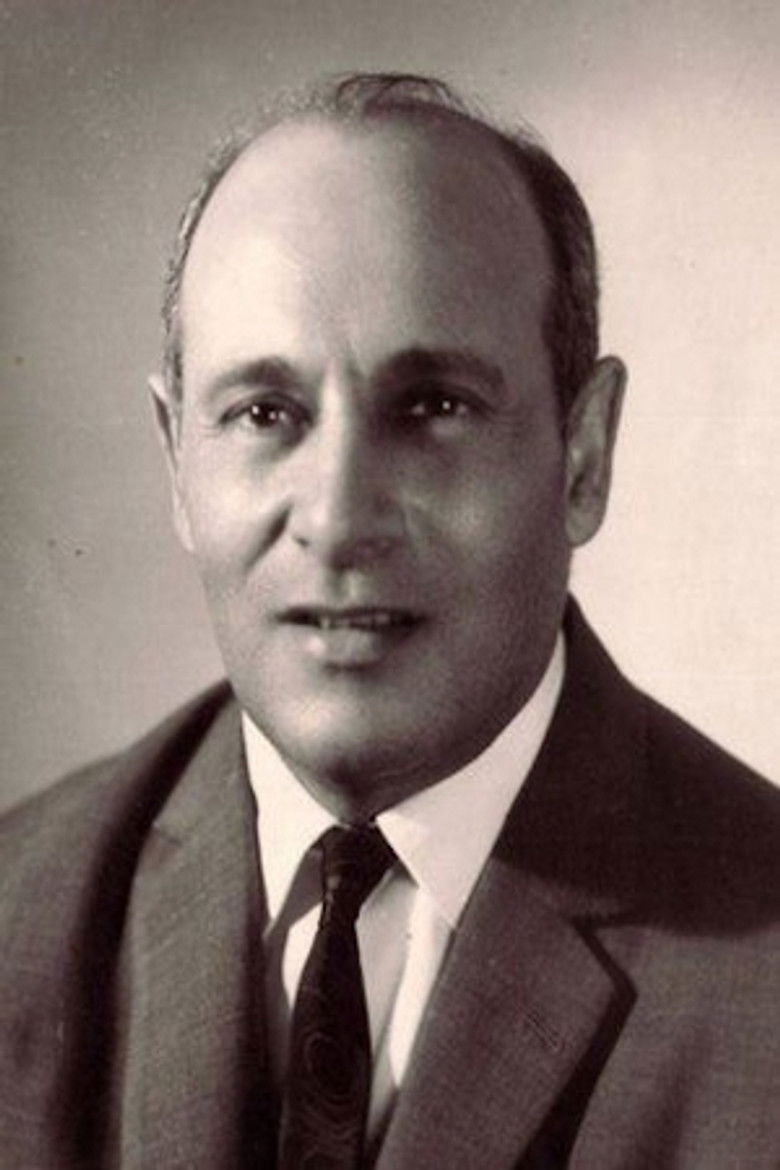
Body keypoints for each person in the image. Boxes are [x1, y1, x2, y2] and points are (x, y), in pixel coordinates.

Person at [1, 72, 778, 1170]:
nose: (338, 519)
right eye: (265, 413)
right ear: (177, 461)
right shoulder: (20, 912)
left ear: (584, 458)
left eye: (433, 407)